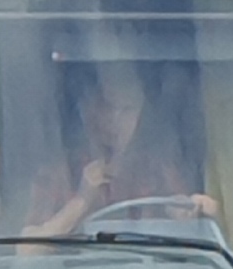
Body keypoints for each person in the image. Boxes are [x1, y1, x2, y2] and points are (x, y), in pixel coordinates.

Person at [22, 62, 217, 241]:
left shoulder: (157, 170)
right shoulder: (59, 172)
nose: (115, 121)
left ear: (139, 115)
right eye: (106, 107)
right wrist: (81, 200)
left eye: (127, 110)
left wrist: (191, 211)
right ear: (86, 109)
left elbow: (183, 212)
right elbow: (27, 251)